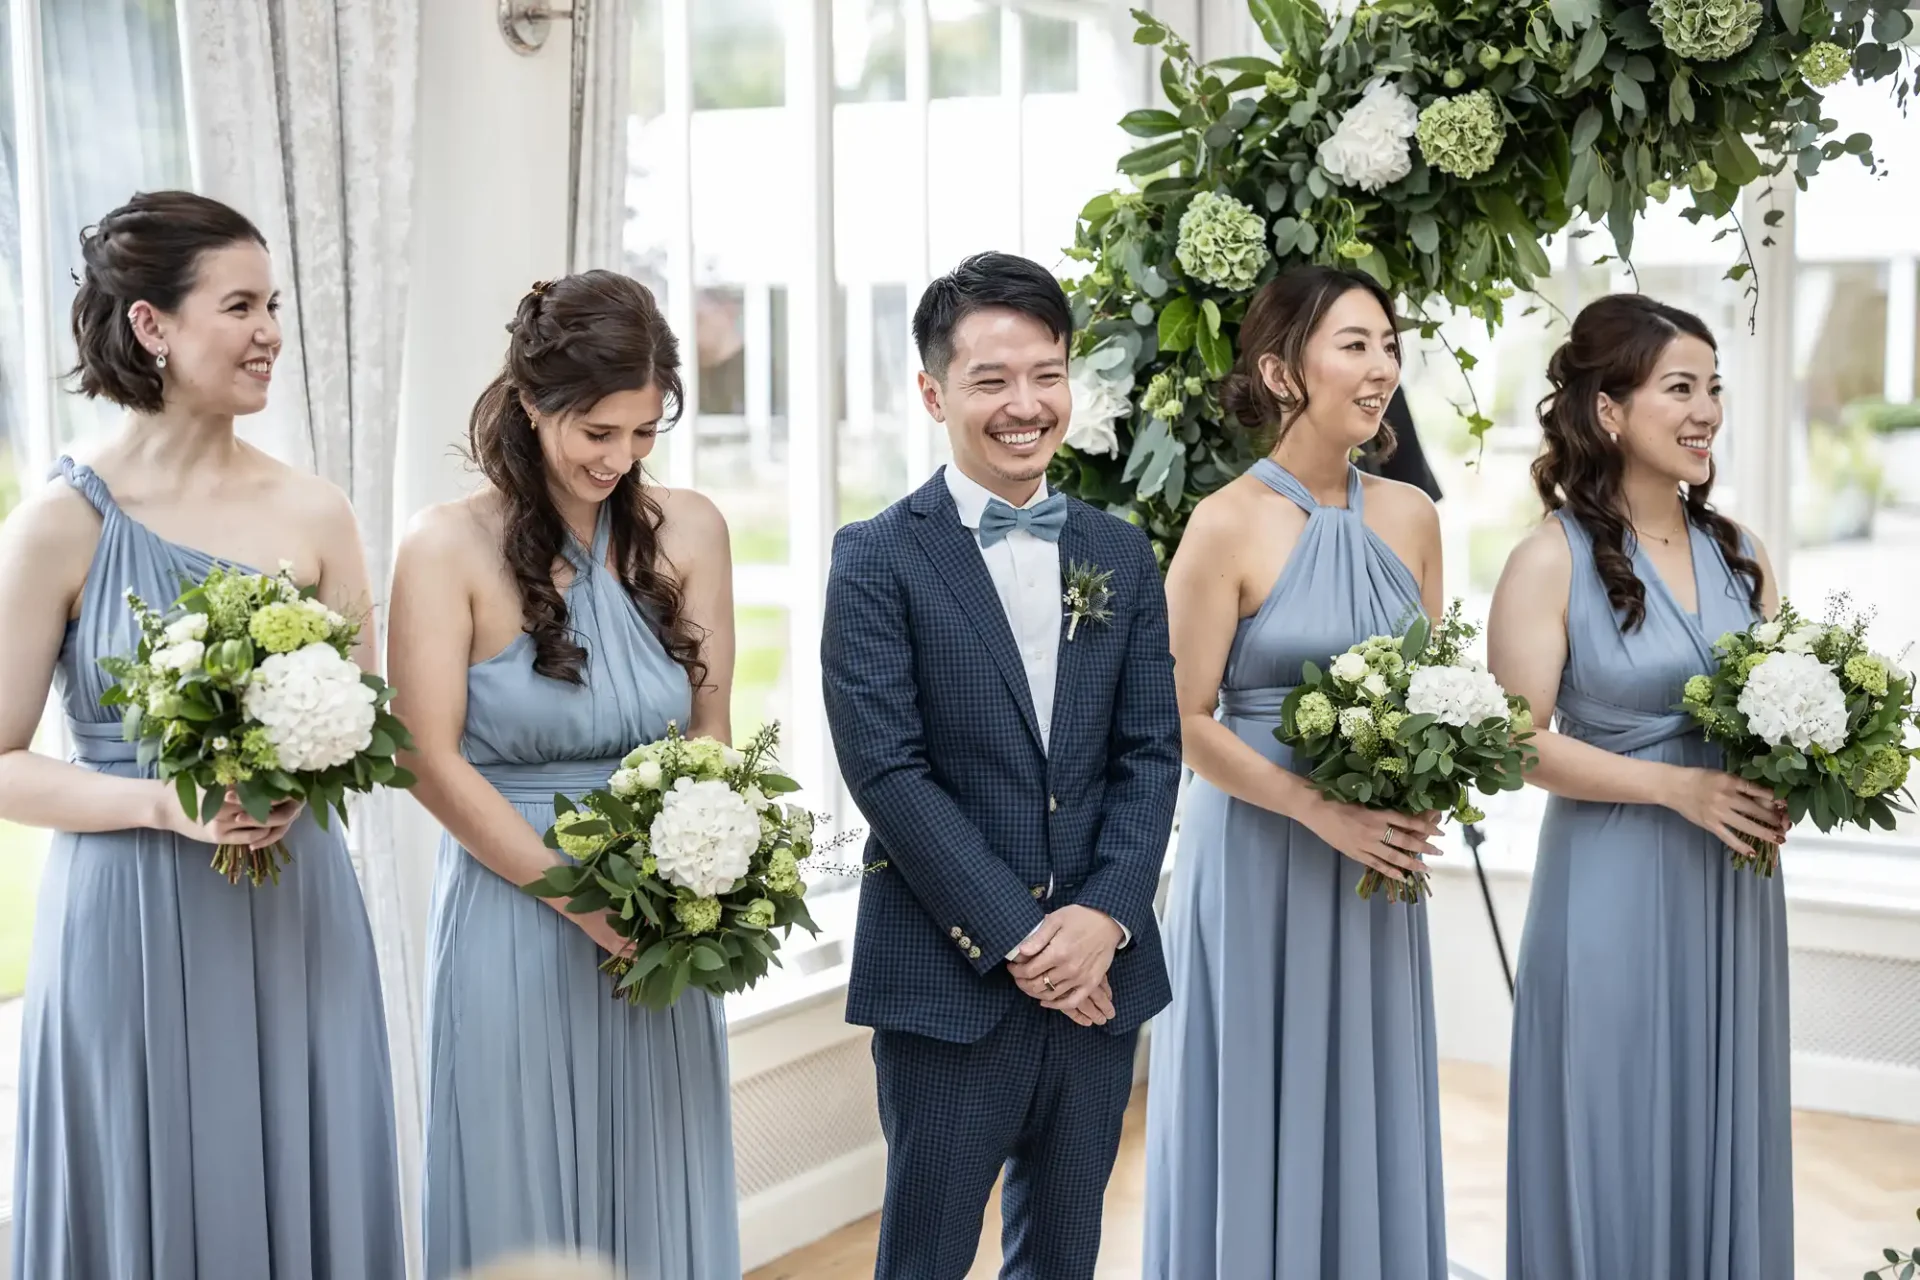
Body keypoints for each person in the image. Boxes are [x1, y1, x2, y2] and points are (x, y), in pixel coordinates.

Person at [0, 190, 403, 1278]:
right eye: (240, 304)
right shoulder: (58, 526)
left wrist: (304, 765)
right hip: (126, 921)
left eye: (273, 303)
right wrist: (154, 801)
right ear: (151, 323)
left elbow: (367, 721)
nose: (270, 330)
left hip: (296, 905)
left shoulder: (317, 511)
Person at [822, 251, 1181, 1280]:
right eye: (992, 379)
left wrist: (1105, 916)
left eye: (1047, 373)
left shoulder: (1119, 551)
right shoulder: (876, 556)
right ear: (934, 392)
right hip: (947, 977)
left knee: (1065, 1253)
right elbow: (887, 772)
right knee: (926, 1255)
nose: (1025, 404)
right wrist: (1029, 938)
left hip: (1101, 975)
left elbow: (1151, 751)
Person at [389, 271, 739, 1278]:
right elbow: (425, 758)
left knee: (658, 1182)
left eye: (642, 432)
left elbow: (709, 720)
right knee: (523, 1197)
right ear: (534, 403)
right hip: (516, 916)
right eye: (597, 431)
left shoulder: (693, 527)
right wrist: (584, 901)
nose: (619, 457)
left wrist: (695, 863)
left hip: (667, 924)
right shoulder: (446, 542)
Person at [1143, 265, 1449, 1280]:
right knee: (1260, 1099)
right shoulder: (1224, 522)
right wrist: (1323, 810)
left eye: (1387, 344)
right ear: (1281, 369)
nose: (1380, 369)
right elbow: (1185, 720)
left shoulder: (1413, 517)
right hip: (1263, 860)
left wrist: (1426, 777)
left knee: (1369, 1097)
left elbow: (1430, 696)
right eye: (1353, 345)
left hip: (1376, 864)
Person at [1491, 293, 1792, 1278]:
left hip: (1733, 889)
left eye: (1714, 387)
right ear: (1611, 410)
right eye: (1680, 387)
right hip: (1610, 886)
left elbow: (1780, 706)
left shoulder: (1743, 556)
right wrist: (1678, 791)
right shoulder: (1548, 559)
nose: (1706, 409)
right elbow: (1515, 743)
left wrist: (1794, 772)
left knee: (1721, 1119)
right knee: (1611, 1125)